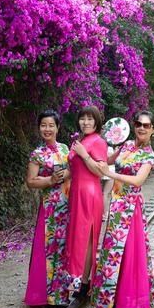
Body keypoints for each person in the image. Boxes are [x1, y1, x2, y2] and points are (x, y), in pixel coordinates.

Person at [91, 111, 154, 308]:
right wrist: (99, 148)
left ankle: (130, 301)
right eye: (138, 123)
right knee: (112, 251)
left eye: (146, 125)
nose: (141, 127)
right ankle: (108, 300)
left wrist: (110, 173)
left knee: (130, 253)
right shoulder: (127, 145)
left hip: (131, 208)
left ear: (153, 130)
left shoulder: (149, 155)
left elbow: (137, 181)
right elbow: (107, 159)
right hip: (116, 206)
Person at [24, 109, 71, 306]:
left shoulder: (65, 149)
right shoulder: (37, 154)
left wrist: (67, 174)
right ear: (39, 128)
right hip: (50, 208)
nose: (47, 129)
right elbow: (31, 182)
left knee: (65, 248)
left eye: (51, 125)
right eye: (44, 125)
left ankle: (63, 294)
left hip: (67, 205)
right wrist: (50, 179)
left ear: (58, 127)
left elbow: (72, 171)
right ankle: (44, 296)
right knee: (49, 248)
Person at [63, 105, 108, 297]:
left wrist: (84, 154)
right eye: (83, 118)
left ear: (97, 121)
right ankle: (77, 279)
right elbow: (74, 169)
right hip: (76, 191)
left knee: (88, 236)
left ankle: (84, 282)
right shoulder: (80, 140)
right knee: (77, 235)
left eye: (90, 119)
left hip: (89, 192)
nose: (86, 122)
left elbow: (100, 171)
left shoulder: (98, 141)